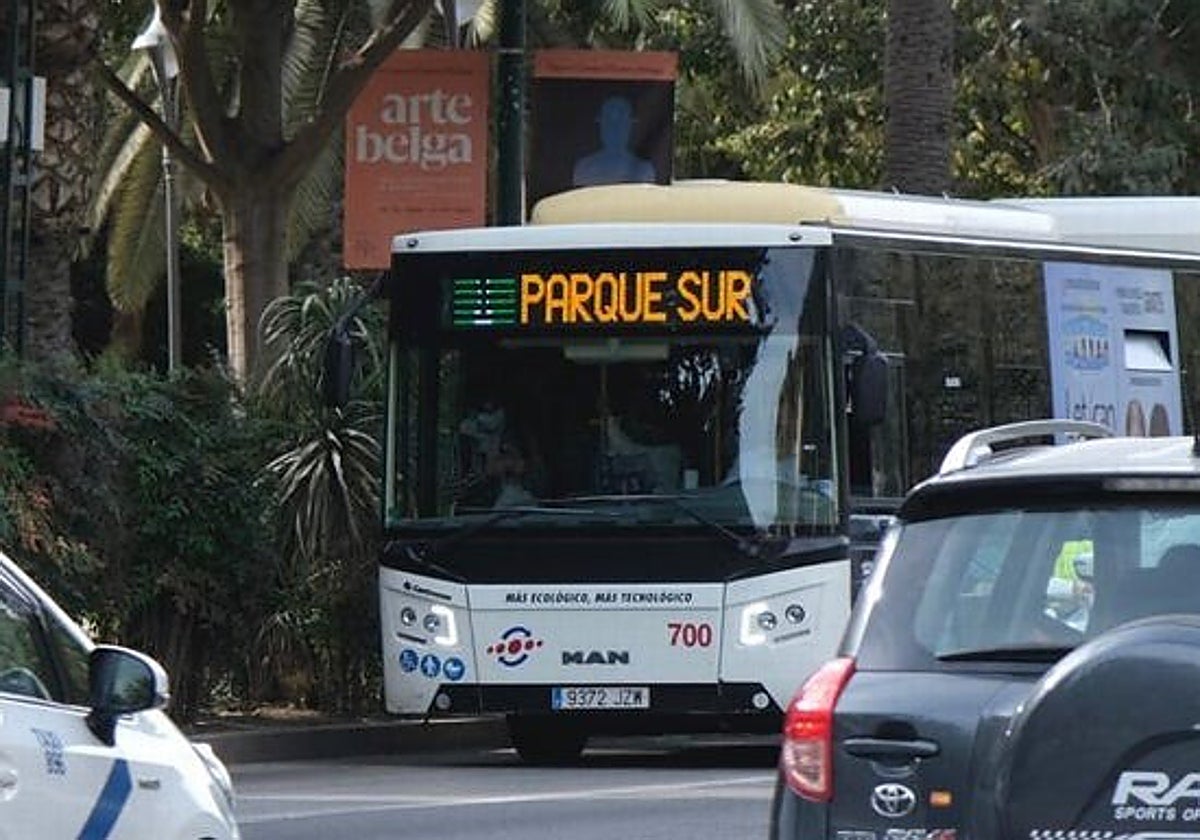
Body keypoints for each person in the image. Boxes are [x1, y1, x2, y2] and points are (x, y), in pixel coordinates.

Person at [572, 96, 656, 187]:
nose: (614, 128)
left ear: (630, 125)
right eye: (609, 121)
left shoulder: (644, 169)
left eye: (621, 121)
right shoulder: (584, 168)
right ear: (601, 124)